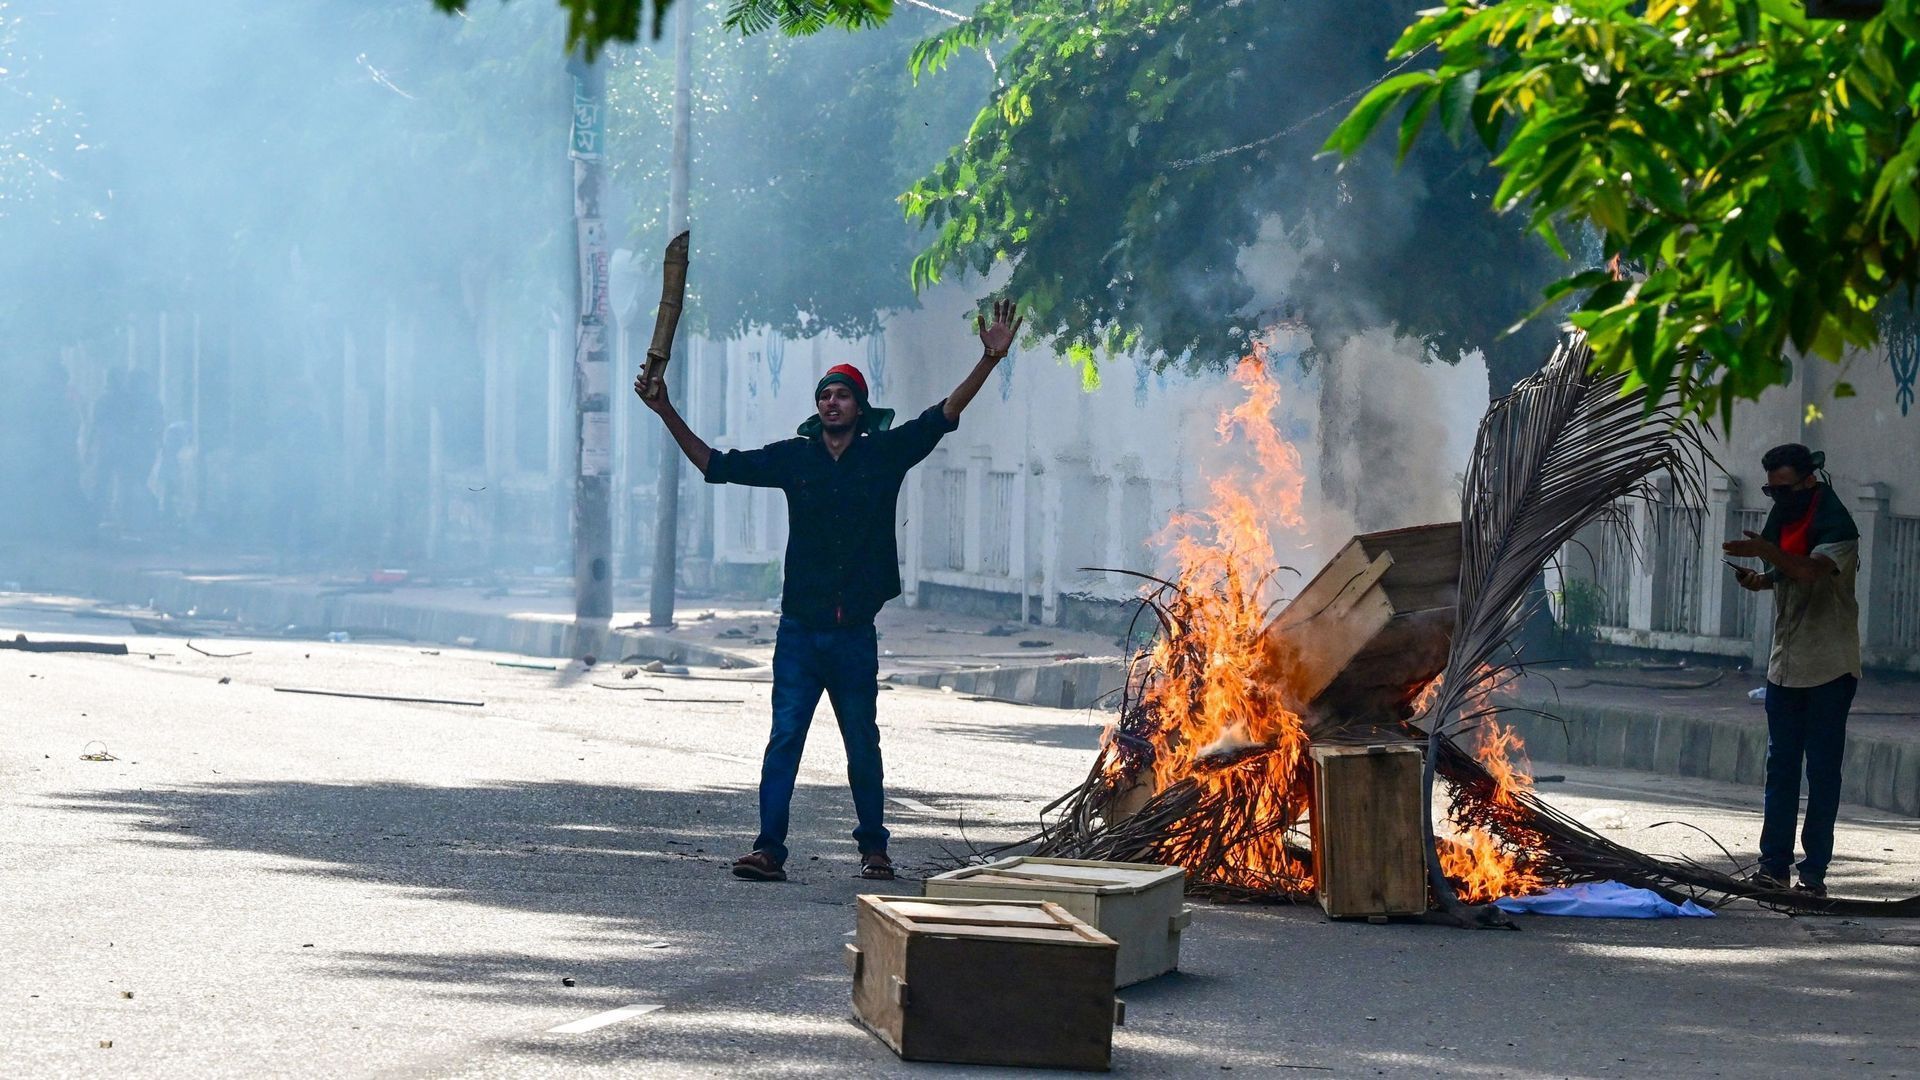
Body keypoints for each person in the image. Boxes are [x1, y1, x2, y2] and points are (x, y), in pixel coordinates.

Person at [635, 301, 1023, 882]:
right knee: (784, 738)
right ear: (816, 410)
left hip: (852, 634)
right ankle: (768, 849)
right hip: (799, 630)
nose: (830, 402)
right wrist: (664, 409)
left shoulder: (883, 455)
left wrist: (989, 359)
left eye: (841, 395)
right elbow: (714, 465)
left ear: (859, 409)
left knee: (861, 742)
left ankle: (874, 849)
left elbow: (941, 415)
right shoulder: (796, 460)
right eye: (824, 395)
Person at [1725, 443, 1861, 899]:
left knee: (1822, 772)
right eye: (1770, 489)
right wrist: (1759, 577)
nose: (1776, 498)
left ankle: (1814, 875)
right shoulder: (1783, 520)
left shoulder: (1837, 526)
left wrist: (1768, 553)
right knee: (1780, 769)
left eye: (1783, 488)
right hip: (1784, 666)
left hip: (1829, 665)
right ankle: (1772, 868)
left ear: (1809, 481)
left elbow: (1807, 571)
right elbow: (1781, 572)